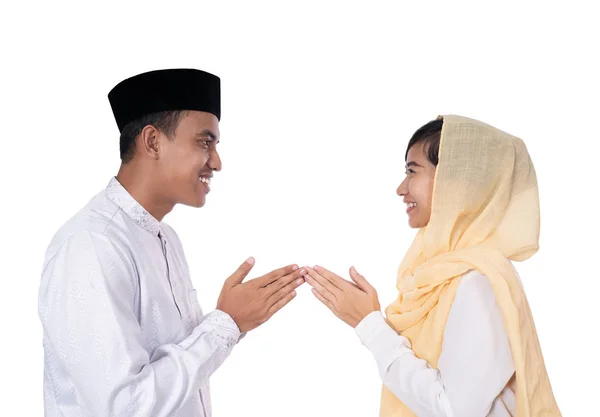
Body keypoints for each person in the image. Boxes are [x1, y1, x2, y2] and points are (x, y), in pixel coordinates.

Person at [38, 68, 306, 417]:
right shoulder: (92, 245)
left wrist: (231, 321)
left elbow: (175, 377)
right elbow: (123, 408)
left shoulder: (164, 238)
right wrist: (227, 323)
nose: (217, 162)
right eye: (204, 142)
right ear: (152, 142)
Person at [305, 115, 561, 416]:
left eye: (412, 172)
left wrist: (371, 326)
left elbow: (453, 410)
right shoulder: (438, 274)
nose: (401, 188)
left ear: (454, 181)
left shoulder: (478, 283)